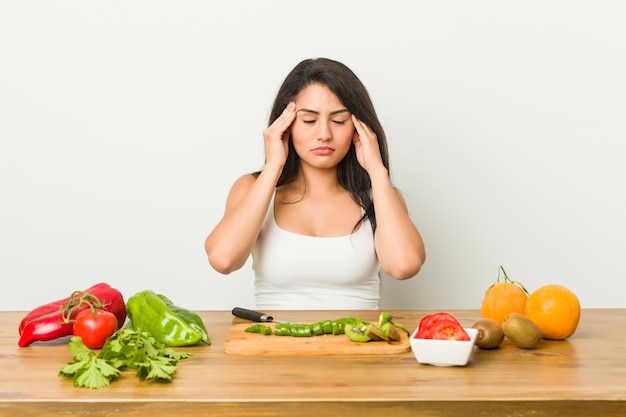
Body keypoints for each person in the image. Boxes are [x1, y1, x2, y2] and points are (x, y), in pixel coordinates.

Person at [205, 58, 425, 309]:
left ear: (359, 128)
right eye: (309, 120)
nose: (324, 134)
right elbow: (223, 260)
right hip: (273, 345)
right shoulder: (251, 188)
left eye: (339, 121)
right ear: (285, 124)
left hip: (360, 345)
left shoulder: (381, 196)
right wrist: (273, 166)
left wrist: (376, 171)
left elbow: (404, 265)